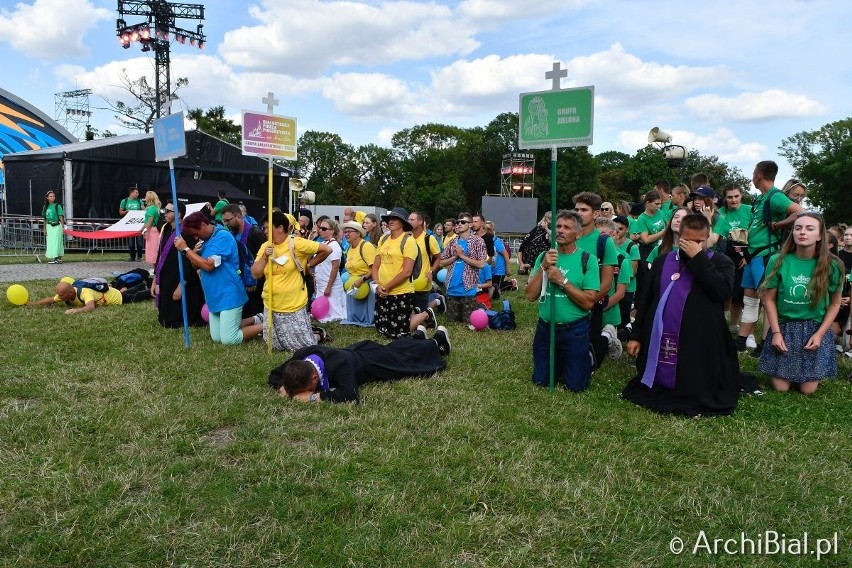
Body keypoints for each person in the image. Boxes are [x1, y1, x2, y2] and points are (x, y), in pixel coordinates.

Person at [623, 214, 740, 416]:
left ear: (708, 237)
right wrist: (636, 336)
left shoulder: (722, 262)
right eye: (688, 240)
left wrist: (699, 258)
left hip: (700, 341)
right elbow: (646, 300)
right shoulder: (662, 261)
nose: (693, 245)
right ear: (679, 237)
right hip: (660, 335)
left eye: (699, 241)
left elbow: (722, 291)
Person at [758, 213, 844, 394]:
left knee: (808, 390)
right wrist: (775, 333)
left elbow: (835, 304)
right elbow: (769, 299)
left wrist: (820, 334)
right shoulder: (777, 260)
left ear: (820, 235)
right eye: (798, 228)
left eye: (809, 228)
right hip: (785, 327)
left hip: (814, 327)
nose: (802, 232)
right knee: (781, 388)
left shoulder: (833, 265)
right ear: (793, 233)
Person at [268, 326, 451, 403]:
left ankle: (437, 341)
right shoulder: (301, 356)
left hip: (373, 361)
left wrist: (315, 397)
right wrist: (283, 387)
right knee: (396, 351)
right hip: (357, 350)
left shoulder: (339, 366)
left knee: (406, 363)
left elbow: (351, 396)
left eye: (308, 389)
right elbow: (274, 375)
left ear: (315, 377)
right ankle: (416, 337)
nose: (308, 392)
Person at [525, 210, 599, 392]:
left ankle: (586, 356)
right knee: (540, 381)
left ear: (578, 234)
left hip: (574, 330)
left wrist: (562, 281)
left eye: (567, 227)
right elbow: (530, 295)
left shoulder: (587, 260)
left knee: (575, 387)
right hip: (545, 328)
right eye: (558, 226)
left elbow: (588, 303)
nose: (560, 230)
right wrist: (543, 267)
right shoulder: (545, 257)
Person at [736, 160, 805, 354]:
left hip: (766, 255)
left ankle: (767, 342)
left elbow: (801, 213)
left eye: (753, 173)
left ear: (758, 175)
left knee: (768, 300)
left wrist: (779, 225)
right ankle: (741, 340)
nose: (752, 177)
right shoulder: (761, 198)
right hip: (753, 255)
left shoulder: (775, 197)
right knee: (750, 299)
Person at [176, 212, 262, 345]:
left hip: (229, 293)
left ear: (204, 225)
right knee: (217, 338)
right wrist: (194, 252)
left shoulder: (223, 237)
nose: (195, 237)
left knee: (229, 339)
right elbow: (196, 265)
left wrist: (186, 250)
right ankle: (256, 319)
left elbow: (208, 265)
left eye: (196, 233)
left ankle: (268, 327)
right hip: (214, 295)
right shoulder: (205, 240)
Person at [251, 211, 332, 351]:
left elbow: (326, 249)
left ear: (280, 228)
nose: (264, 231)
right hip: (271, 302)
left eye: (267, 227)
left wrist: (309, 265)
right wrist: (265, 257)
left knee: (303, 346)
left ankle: (319, 334)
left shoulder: (296, 243)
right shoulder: (265, 246)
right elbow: (256, 274)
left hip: (293, 303)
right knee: (276, 344)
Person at [573, 191, 622, 363]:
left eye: (583, 210)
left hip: (592, 304)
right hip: (569, 303)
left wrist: (588, 303)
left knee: (591, 356)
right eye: (576, 209)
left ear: (595, 214)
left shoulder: (603, 241)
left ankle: (607, 336)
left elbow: (607, 283)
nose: (578, 213)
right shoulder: (568, 238)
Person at [152, 201, 206, 328]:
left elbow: (192, 259)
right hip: (167, 277)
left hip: (183, 277)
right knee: (165, 318)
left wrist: (182, 284)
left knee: (177, 316)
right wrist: (156, 279)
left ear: (179, 214)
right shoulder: (165, 229)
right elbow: (160, 255)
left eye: (168, 211)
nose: (164, 213)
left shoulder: (187, 232)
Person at [371, 207, 421, 339]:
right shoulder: (382, 239)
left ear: (403, 223)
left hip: (401, 292)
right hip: (383, 292)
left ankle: (425, 314)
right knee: (382, 329)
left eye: (395, 219)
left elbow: (407, 271)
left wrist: (386, 287)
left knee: (399, 332)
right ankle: (416, 312)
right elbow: (375, 266)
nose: (390, 221)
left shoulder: (408, 241)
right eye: (389, 219)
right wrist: (377, 286)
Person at [437, 212, 487, 324]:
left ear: (470, 224)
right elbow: (440, 262)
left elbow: (481, 264)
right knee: (452, 323)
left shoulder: (478, 241)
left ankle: (481, 307)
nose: (459, 224)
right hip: (452, 289)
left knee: (467, 323)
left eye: (463, 222)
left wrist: (462, 256)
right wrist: (455, 257)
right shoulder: (452, 242)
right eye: (458, 222)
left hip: (468, 289)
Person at [221, 203, 267, 319]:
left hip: (256, 286)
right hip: (238, 283)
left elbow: (265, 258)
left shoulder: (255, 233)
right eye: (224, 221)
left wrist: (253, 280)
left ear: (239, 217)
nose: (226, 224)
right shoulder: (231, 234)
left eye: (228, 220)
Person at [718, 185, 752, 332]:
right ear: (725, 198)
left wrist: (748, 256)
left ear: (741, 195)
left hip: (745, 253)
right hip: (725, 253)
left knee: (738, 293)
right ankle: (722, 320)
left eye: (736, 196)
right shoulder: (720, 213)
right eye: (730, 197)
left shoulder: (749, 210)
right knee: (725, 289)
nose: (733, 200)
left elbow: (756, 233)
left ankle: (733, 325)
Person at [28, 277, 149, 314]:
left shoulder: (84, 292)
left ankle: (152, 292)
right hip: (110, 292)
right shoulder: (65, 294)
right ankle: (142, 284)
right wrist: (32, 304)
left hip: (116, 298)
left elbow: (91, 307)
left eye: (61, 295)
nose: (59, 297)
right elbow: (50, 300)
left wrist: (75, 311)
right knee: (128, 292)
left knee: (135, 297)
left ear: (70, 293)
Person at [340, 220, 377, 327]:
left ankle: (367, 319)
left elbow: (375, 268)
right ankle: (355, 319)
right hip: (354, 283)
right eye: (345, 232)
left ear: (358, 233)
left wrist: (362, 279)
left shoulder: (366, 246)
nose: (346, 234)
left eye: (349, 231)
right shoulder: (350, 248)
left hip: (365, 283)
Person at [313, 218, 347, 322]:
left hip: (329, 283)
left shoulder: (334, 246)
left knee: (334, 311)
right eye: (320, 228)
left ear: (332, 230)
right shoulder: (323, 244)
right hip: (321, 281)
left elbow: (335, 268)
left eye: (324, 229)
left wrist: (329, 287)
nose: (320, 231)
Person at [119, 186, 144, 261]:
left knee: (139, 242)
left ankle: (139, 257)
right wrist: (127, 211)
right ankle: (132, 257)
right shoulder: (124, 201)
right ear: (131, 193)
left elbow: (144, 210)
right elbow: (120, 212)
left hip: (138, 224)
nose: (138, 194)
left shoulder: (140, 201)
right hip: (129, 225)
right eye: (136, 193)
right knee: (131, 242)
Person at [42, 190, 65, 264]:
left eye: (53, 196)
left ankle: (57, 258)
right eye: (51, 196)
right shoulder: (45, 207)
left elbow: (60, 216)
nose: (52, 197)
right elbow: (45, 219)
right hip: (49, 226)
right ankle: (55, 258)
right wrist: (44, 229)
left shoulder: (57, 206)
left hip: (57, 226)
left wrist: (63, 226)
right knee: (51, 242)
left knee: (57, 242)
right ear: (47, 198)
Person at [141, 191, 161, 266]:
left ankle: (156, 269)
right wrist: (142, 229)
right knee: (154, 250)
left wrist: (145, 231)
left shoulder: (151, 209)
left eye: (146, 196)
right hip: (153, 230)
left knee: (153, 251)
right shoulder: (155, 208)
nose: (145, 198)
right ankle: (155, 268)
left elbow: (149, 222)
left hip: (152, 231)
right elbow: (147, 223)